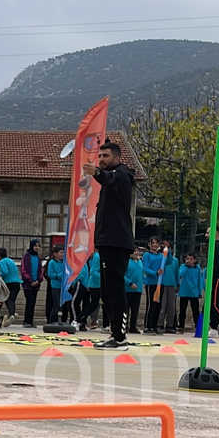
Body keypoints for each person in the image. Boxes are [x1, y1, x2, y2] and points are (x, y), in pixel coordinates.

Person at [83, 140, 135, 349]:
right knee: (107, 291)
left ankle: (120, 337)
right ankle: (114, 333)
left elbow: (109, 178)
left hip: (117, 242)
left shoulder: (122, 175)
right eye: (100, 156)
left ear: (116, 157)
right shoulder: (110, 180)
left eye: (106, 156)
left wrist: (95, 171)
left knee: (115, 289)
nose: (102, 160)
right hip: (106, 242)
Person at [177, 253, 205, 332]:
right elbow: (180, 274)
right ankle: (181, 326)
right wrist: (186, 267)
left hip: (194, 293)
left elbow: (200, 280)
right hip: (184, 292)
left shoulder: (197, 268)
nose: (189, 260)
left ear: (195, 260)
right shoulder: (183, 267)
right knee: (182, 310)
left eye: (191, 259)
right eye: (187, 258)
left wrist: (199, 292)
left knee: (195, 311)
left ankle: (197, 327)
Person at [141, 237, 164, 333]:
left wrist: (166, 250)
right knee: (151, 305)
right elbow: (145, 268)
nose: (155, 245)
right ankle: (148, 326)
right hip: (151, 283)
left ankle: (154, 326)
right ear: (149, 244)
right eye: (153, 243)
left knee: (158, 305)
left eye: (156, 243)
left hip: (160, 283)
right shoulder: (147, 255)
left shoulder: (161, 255)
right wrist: (155, 272)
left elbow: (168, 262)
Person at [0, 247, 23, 323]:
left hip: (9, 282)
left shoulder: (2, 261)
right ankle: (11, 313)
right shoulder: (10, 260)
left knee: (6, 299)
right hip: (17, 282)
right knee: (12, 299)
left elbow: (5, 272)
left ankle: (11, 314)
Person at [77, 250, 102, 331]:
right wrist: (104, 278)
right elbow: (93, 271)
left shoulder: (98, 256)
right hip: (95, 284)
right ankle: (80, 318)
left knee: (93, 304)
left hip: (98, 284)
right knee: (93, 304)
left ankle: (82, 318)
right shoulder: (97, 256)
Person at [158, 242, 179, 334]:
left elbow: (176, 273)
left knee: (172, 307)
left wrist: (177, 284)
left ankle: (170, 325)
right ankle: (160, 324)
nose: (167, 249)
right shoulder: (160, 258)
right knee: (162, 306)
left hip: (171, 285)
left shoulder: (174, 260)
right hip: (162, 284)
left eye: (168, 247)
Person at [20, 239, 42, 328]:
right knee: (29, 302)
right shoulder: (26, 256)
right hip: (27, 284)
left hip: (36, 284)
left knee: (33, 303)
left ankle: (31, 321)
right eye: (35, 246)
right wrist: (30, 280)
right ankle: (26, 321)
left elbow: (40, 270)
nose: (37, 248)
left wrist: (38, 280)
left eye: (38, 246)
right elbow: (23, 270)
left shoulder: (38, 257)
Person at [45, 244, 67, 325]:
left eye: (63, 253)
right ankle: (51, 321)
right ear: (55, 254)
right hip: (55, 286)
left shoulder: (64, 262)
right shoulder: (52, 262)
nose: (62, 254)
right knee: (56, 305)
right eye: (61, 252)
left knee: (63, 306)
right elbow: (50, 274)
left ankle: (62, 322)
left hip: (63, 286)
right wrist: (60, 275)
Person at [125, 248, 144, 333]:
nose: (136, 253)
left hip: (138, 290)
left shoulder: (140, 262)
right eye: (134, 251)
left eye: (137, 251)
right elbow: (123, 275)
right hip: (128, 289)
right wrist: (130, 283)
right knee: (126, 309)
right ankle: (124, 326)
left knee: (135, 310)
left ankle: (133, 327)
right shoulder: (126, 262)